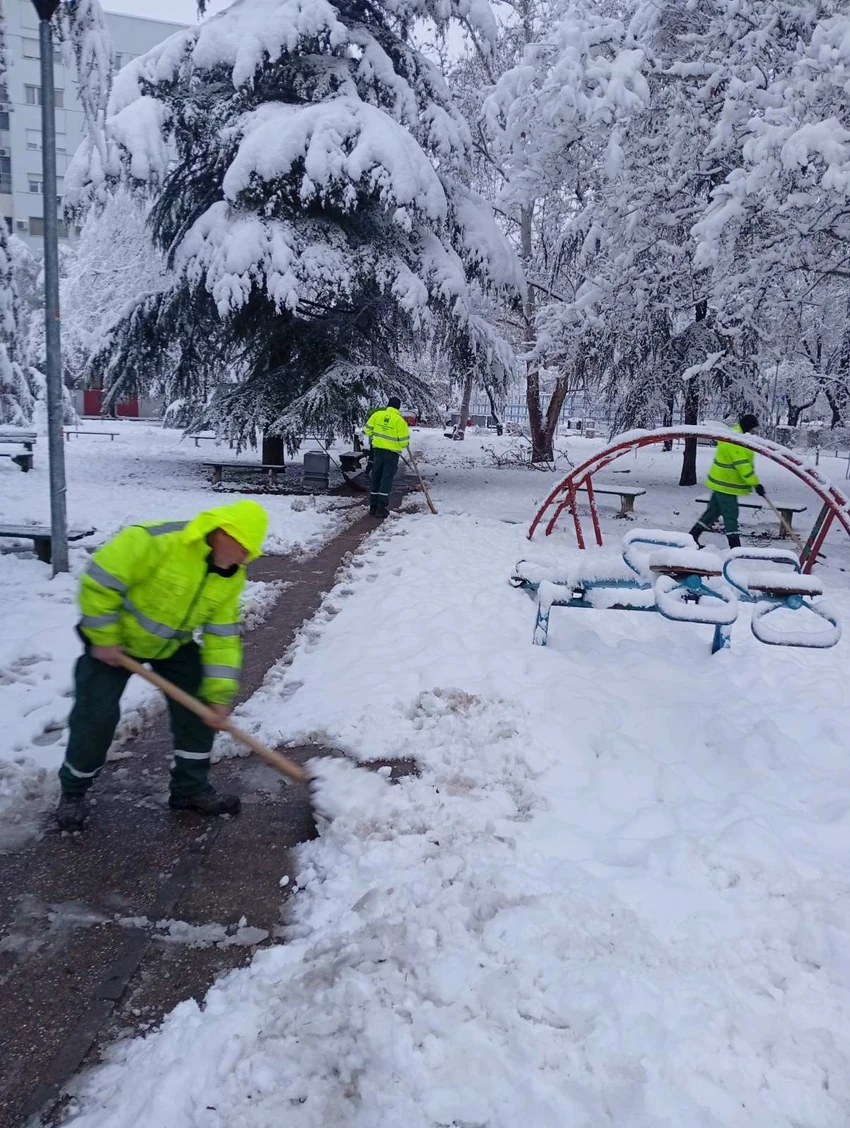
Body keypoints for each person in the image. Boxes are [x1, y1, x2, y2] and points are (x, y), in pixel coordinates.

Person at [56, 500, 268, 832]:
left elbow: (222, 637)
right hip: (115, 642)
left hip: (171, 645)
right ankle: (73, 790)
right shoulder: (155, 541)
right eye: (244, 548)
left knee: (199, 705)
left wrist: (219, 696)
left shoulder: (230, 576)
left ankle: (190, 789)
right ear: (224, 532)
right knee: (96, 713)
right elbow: (100, 581)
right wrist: (104, 635)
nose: (246, 558)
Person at [690, 414, 766, 550]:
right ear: (747, 427)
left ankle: (692, 537)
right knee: (731, 515)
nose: (753, 433)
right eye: (753, 430)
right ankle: (735, 547)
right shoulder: (737, 442)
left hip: (721, 482)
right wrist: (756, 484)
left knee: (712, 513)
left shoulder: (736, 435)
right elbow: (743, 466)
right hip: (726, 485)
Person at [363, 396, 410, 516]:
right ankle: (381, 508)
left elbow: (366, 430)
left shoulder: (377, 415)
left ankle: (373, 507)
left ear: (388, 405)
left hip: (377, 452)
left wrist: (377, 437)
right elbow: (404, 442)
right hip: (391, 454)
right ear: (398, 407)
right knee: (386, 479)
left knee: (376, 476)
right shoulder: (399, 421)